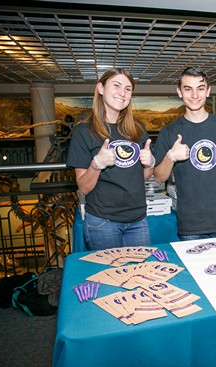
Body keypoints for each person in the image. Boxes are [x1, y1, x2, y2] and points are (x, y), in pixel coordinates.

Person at [66, 67, 155, 250]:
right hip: (102, 222)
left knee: (139, 276)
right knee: (109, 277)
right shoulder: (84, 131)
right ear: (100, 88)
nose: (122, 93)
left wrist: (150, 164)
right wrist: (97, 164)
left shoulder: (137, 129)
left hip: (138, 220)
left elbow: (143, 177)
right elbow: (83, 187)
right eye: (116, 85)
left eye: (128, 89)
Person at [153, 67, 216, 240]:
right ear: (179, 92)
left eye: (200, 88)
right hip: (190, 225)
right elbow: (159, 177)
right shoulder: (169, 132)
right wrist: (170, 157)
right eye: (188, 89)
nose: (195, 95)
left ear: (208, 91)